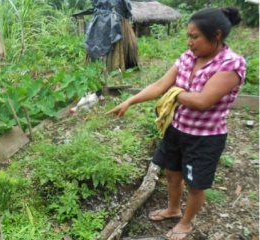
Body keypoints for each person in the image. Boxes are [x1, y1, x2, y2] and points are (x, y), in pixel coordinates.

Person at [105, 7, 246, 240]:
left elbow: (202, 102)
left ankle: (186, 222)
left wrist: (175, 91)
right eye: (188, 36)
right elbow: (161, 85)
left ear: (216, 36)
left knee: (195, 185)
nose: (189, 42)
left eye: (195, 37)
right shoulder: (188, 57)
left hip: (205, 137)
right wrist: (130, 101)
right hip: (177, 129)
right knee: (172, 174)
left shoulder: (231, 65)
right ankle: (173, 209)